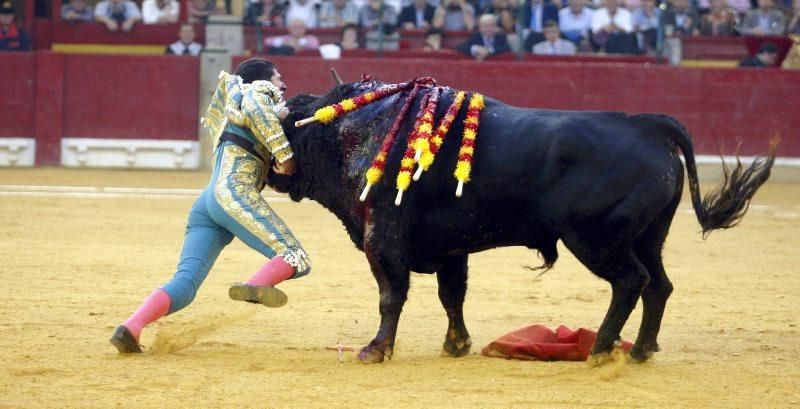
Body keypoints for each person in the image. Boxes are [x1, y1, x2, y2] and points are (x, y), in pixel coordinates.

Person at [110, 59, 311, 354]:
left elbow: (262, 119)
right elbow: (258, 103)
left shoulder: (236, 106)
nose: (282, 85)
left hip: (207, 205)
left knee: (186, 283)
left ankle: (131, 327)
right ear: (262, 79)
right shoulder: (255, 91)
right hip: (233, 195)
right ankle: (256, 284)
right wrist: (285, 155)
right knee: (296, 257)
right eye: (278, 78)